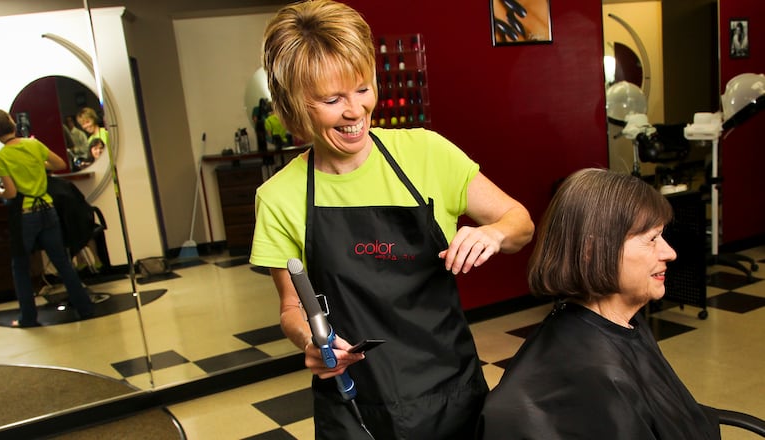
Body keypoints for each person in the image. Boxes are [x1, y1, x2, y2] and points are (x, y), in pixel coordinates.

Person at [249, 1, 534, 438]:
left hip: (449, 390)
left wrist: (494, 233)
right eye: (332, 99)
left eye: (363, 89)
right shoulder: (279, 197)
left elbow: (520, 223)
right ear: (294, 105)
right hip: (353, 402)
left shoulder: (426, 154)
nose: (355, 111)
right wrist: (310, 341)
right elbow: (292, 305)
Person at [477, 168, 721, 440]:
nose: (669, 252)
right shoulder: (594, 374)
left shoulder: (622, 324)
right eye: (652, 239)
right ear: (592, 250)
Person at [0, 109, 94, 327]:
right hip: (48, 210)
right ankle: (85, 308)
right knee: (63, 262)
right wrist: (35, 165)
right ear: (12, 124)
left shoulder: (0, 158)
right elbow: (59, 164)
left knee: (21, 266)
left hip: (25, 216)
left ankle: (28, 318)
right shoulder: (34, 145)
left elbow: (12, 193)